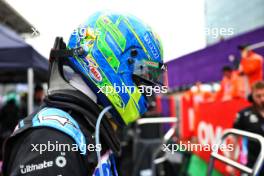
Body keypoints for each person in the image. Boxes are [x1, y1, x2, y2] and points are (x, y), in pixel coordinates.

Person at [2, 11, 165, 176]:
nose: (146, 91)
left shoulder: (85, 127)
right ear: (116, 59)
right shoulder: (51, 140)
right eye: (143, 77)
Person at [233, 81, 264, 175]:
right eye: (258, 96)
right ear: (252, 96)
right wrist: (232, 161)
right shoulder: (243, 114)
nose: (262, 99)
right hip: (250, 162)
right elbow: (234, 138)